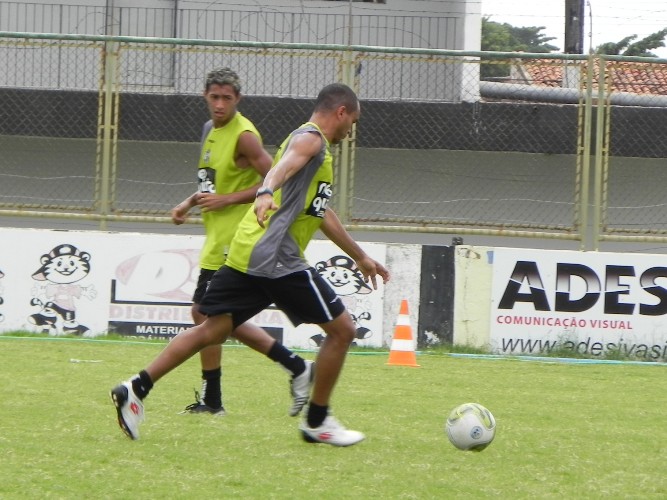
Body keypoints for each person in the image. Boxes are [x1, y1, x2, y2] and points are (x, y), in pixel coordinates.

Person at [111, 82, 390, 447]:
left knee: (211, 328)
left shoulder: (307, 144)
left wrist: (360, 256)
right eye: (352, 121)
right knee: (342, 331)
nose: (351, 130)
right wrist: (263, 191)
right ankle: (318, 421)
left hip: (248, 250)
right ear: (340, 112)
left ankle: (136, 387)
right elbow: (281, 170)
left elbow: (319, 212)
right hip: (278, 257)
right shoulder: (312, 140)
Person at [171, 67, 313, 417]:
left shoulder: (244, 136)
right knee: (211, 317)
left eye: (227, 99)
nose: (219, 104)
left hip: (235, 241)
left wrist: (228, 200)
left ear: (238, 100)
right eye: (214, 97)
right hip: (215, 238)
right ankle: (293, 366)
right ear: (205, 96)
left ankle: (215, 399)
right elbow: (214, 183)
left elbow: (274, 180)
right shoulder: (209, 130)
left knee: (206, 317)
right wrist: (190, 202)